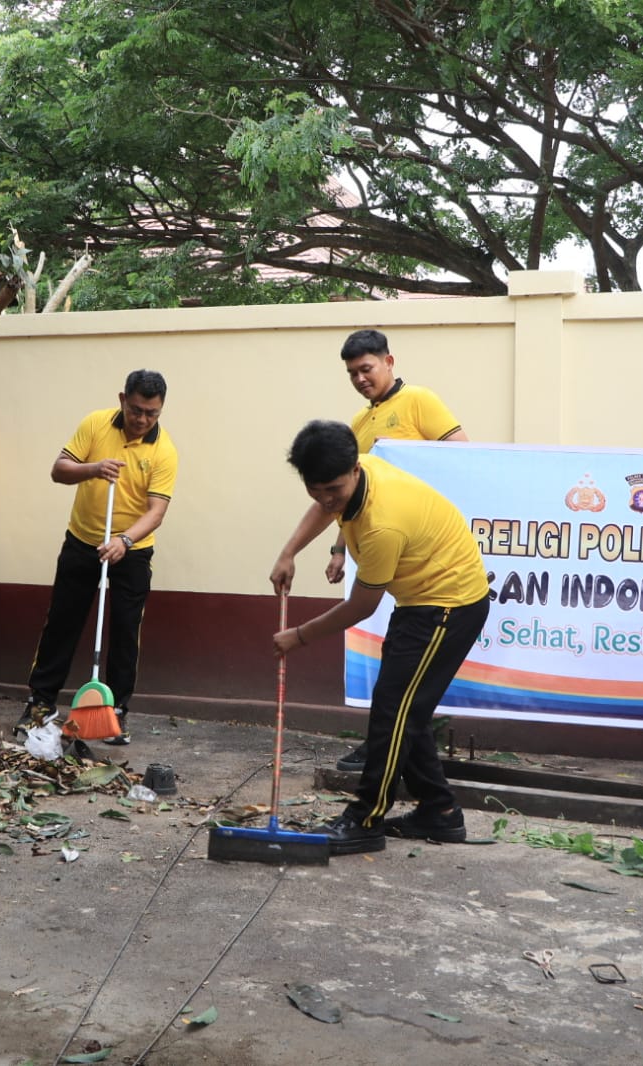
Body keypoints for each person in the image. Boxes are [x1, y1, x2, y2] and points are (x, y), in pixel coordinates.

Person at [271, 420, 490, 854]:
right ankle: (440, 812)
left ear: (354, 469)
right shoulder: (356, 473)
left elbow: (361, 606)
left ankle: (365, 818)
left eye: (333, 489)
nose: (326, 499)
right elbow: (327, 507)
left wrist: (298, 635)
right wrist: (289, 552)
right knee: (405, 707)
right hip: (421, 601)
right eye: (315, 489)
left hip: (449, 606)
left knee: (393, 711)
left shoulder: (383, 523)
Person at [272, 328, 470, 773]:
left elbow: (461, 455)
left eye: (366, 368)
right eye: (352, 373)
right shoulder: (357, 428)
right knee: (393, 660)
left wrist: (299, 636)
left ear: (389, 362)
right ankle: (391, 748)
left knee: (407, 670)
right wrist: (337, 549)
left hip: (422, 544)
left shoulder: (419, 400)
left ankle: (389, 753)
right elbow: (344, 499)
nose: (360, 379)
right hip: (386, 556)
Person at [21, 370, 178, 745]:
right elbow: (59, 470)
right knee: (62, 622)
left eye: (152, 413)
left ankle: (116, 711)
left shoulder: (164, 451)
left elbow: (156, 511)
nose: (142, 419)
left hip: (132, 550)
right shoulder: (95, 424)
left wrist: (124, 540)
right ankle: (41, 703)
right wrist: (94, 468)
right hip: (82, 541)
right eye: (136, 409)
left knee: (125, 630)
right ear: (123, 399)